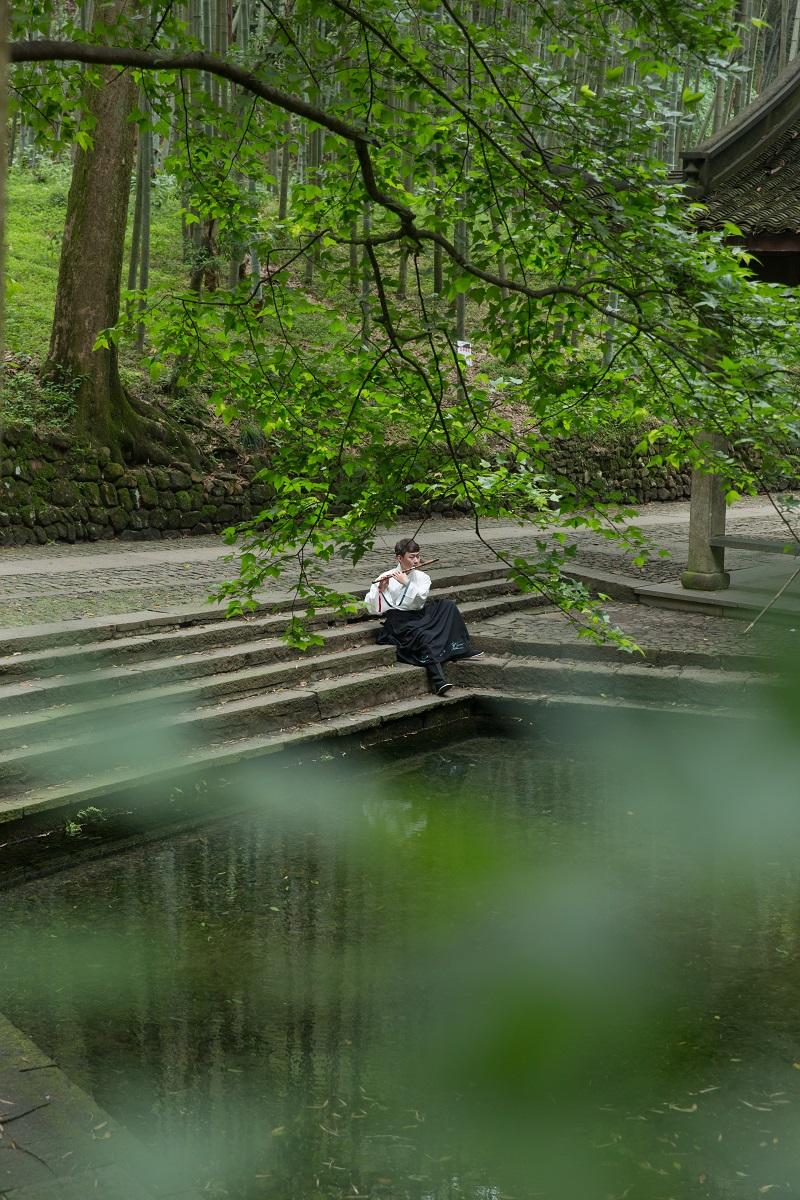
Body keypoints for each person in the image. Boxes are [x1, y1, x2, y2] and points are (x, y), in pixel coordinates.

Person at [363, 537, 477, 696]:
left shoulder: (423, 577)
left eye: (418, 556)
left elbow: (419, 601)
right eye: (412, 557)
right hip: (399, 619)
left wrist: (407, 584)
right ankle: (439, 681)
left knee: (448, 606)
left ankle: (461, 648)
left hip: (418, 613)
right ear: (399, 558)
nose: (416, 561)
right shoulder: (387, 575)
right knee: (423, 635)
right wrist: (381, 590)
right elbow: (373, 608)